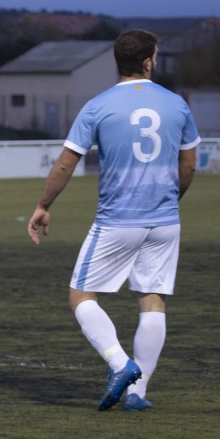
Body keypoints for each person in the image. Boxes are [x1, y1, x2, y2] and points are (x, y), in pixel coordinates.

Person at [28, 29, 199, 412]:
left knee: (81, 296)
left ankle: (121, 365)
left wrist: (43, 205)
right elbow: (188, 164)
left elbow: (66, 163)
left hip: (118, 218)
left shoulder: (97, 106)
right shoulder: (177, 104)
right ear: (149, 61)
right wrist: (172, 199)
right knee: (152, 300)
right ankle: (138, 395)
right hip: (165, 219)